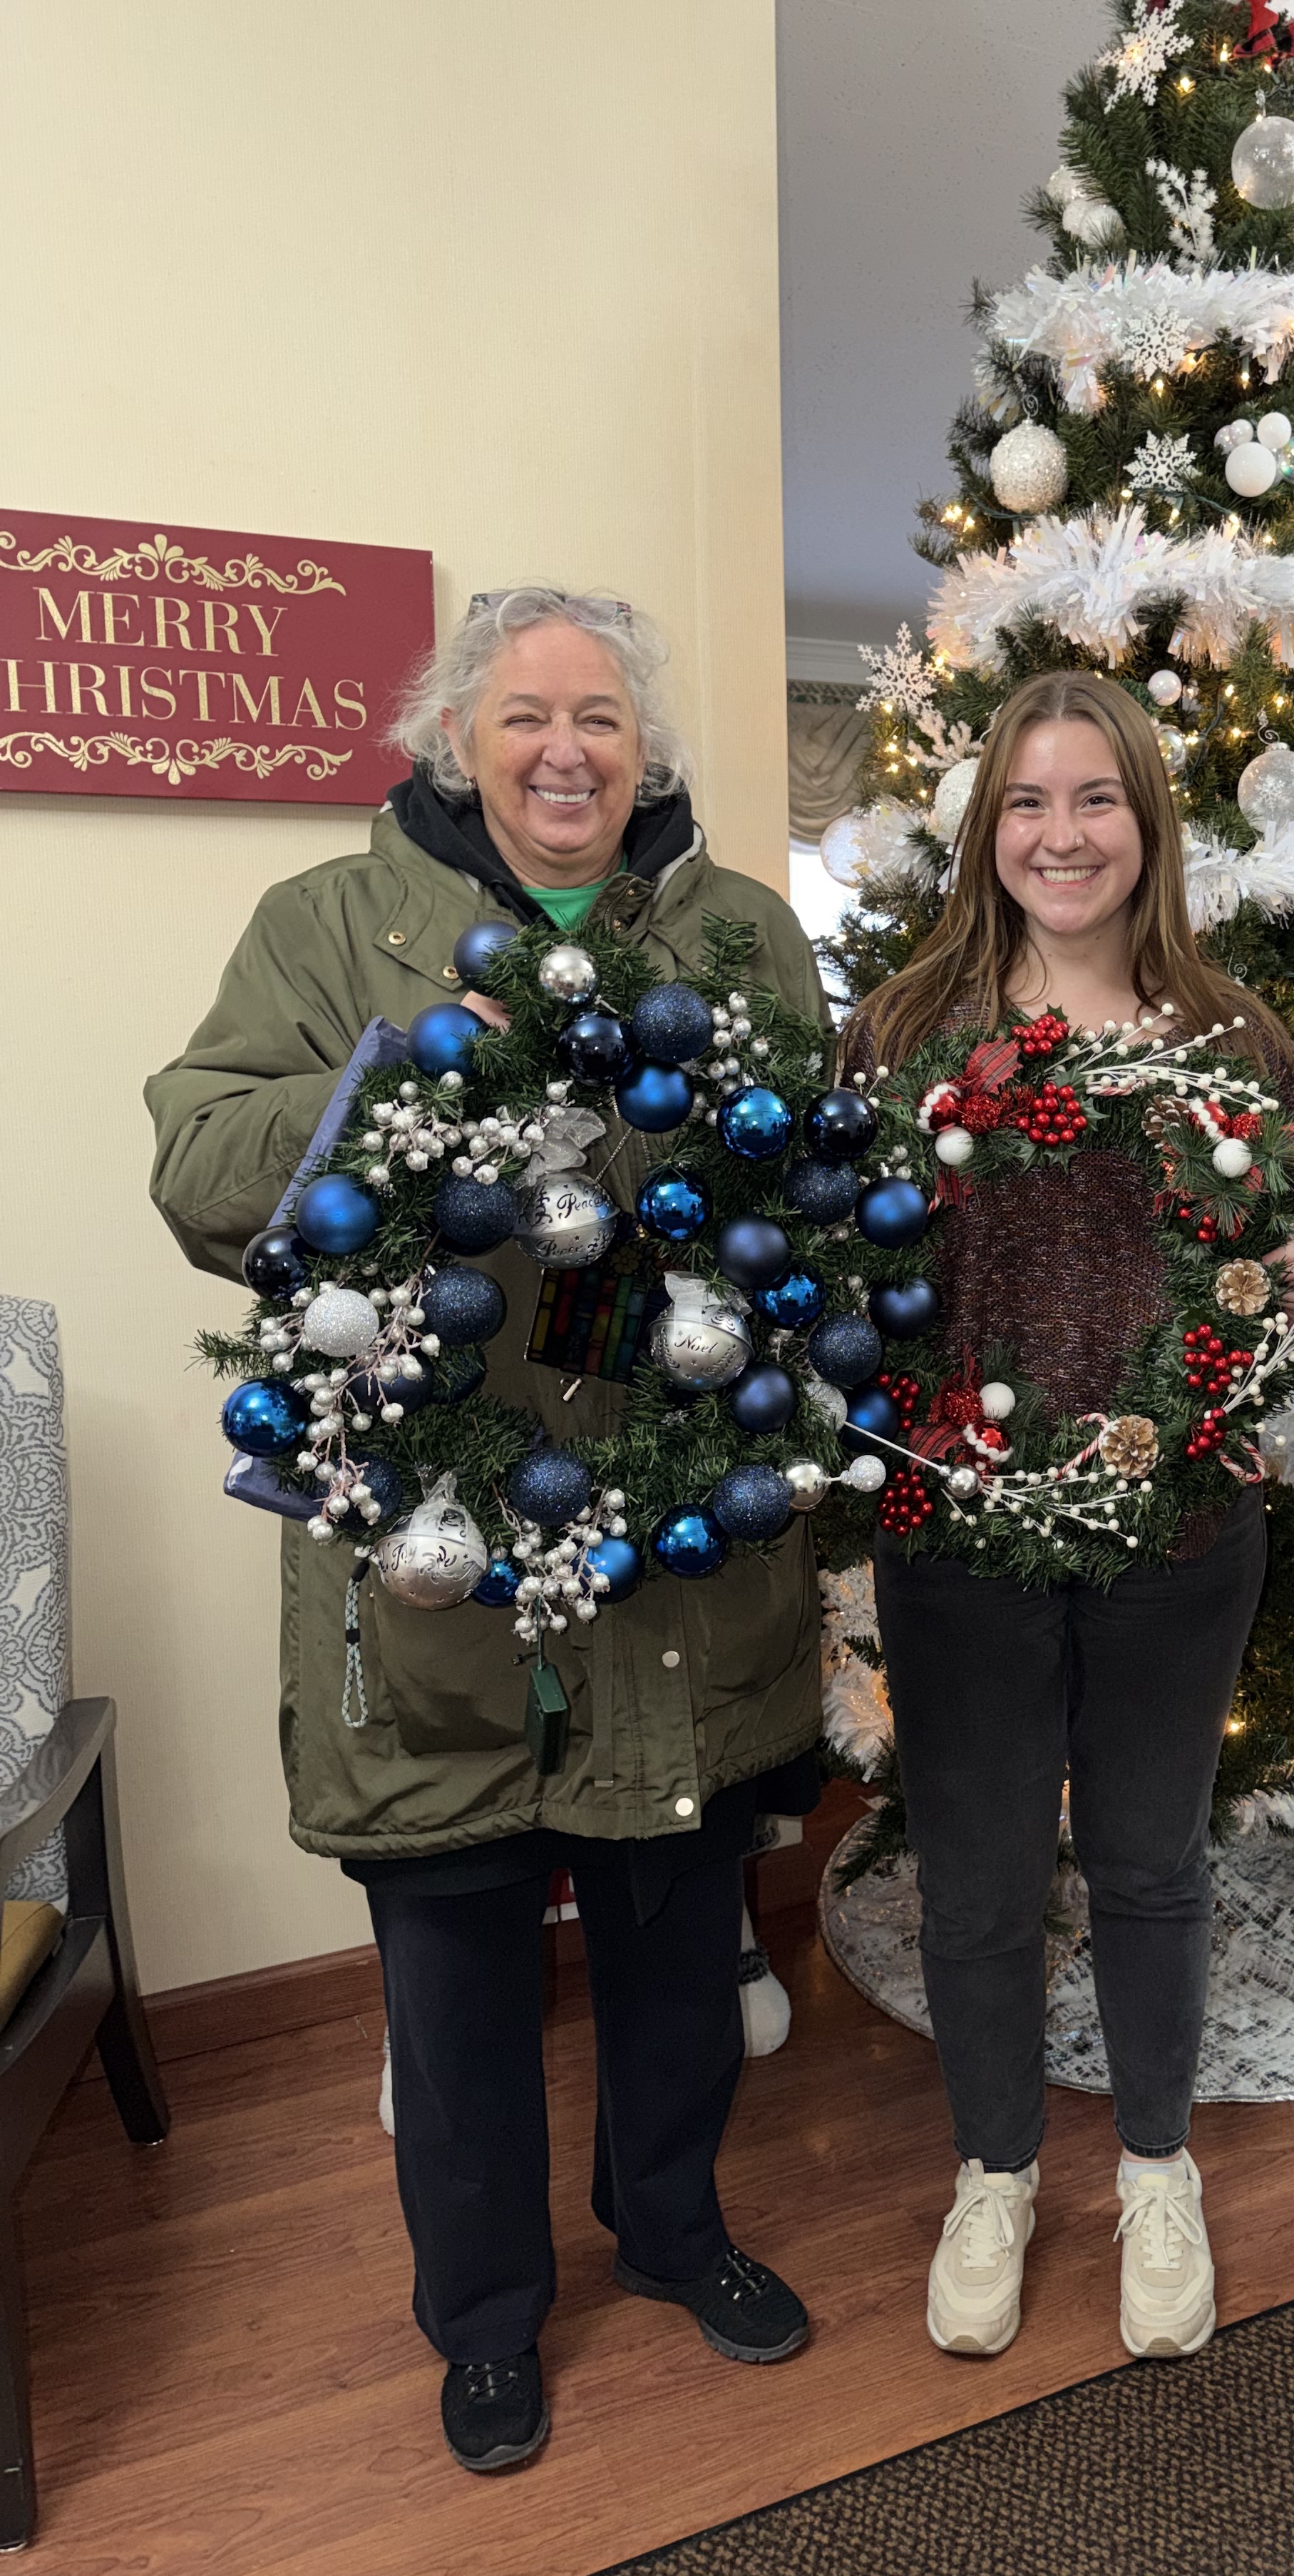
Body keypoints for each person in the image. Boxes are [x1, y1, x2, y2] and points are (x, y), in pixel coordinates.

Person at [147, 586, 824, 2474]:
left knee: (679, 1935)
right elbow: (199, 1161)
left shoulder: (744, 934)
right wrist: (410, 1088)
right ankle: (487, 2319)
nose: (564, 753)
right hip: (428, 1555)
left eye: (600, 718)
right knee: (450, 1958)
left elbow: (818, 1194)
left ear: (646, 747)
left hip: (670, 1557)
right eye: (523, 717)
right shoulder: (330, 928)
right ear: (455, 739)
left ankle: (677, 2231)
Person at [846, 668, 1294, 2365]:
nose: (1063, 834)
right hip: (957, 1536)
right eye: (1030, 802)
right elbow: (851, 1277)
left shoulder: (1230, 1037)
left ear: (1147, 823)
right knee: (973, 1873)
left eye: (1096, 798)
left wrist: (1263, 1362)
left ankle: (1155, 2169)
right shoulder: (905, 1035)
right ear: (988, 828)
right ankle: (993, 2173)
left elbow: (1275, 1258)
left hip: (1178, 1538)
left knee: (1149, 1864)